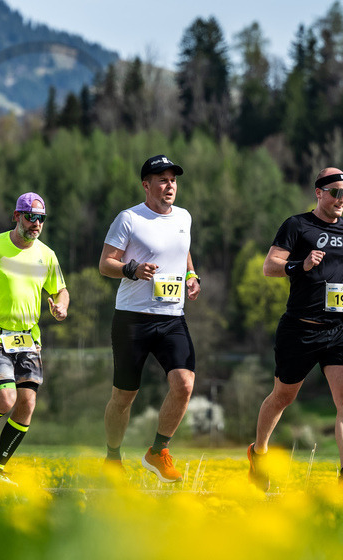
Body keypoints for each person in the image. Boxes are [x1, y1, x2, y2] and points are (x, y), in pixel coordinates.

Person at [248, 167, 343, 493]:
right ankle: (259, 453)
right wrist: (299, 265)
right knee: (283, 397)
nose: (342, 199)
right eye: (335, 192)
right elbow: (269, 267)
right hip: (301, 328)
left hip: (341, 326)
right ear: (318, 193)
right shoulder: (297, 225)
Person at [99, 155, 200, 483]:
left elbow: (182, 249)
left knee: (184, 384)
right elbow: (105, 263)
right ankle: (113, 456)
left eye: (173, 180)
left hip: (172, 317)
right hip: (132, 319)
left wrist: (191, 275)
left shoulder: (183, 216)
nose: (170, 186)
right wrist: (132, 269)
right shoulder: (129, 219)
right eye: (162, 180)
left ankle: (158, 450)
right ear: (146, 185)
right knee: (124, 396)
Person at [0, 192, 69, 485]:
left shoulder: (47, 254)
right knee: (6, 398)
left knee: (27, 403)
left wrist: (61, 306)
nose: (36, 224)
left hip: (27, 337)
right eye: (31, 217)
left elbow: (60, 289)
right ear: (16, 216)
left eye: (41, 219)